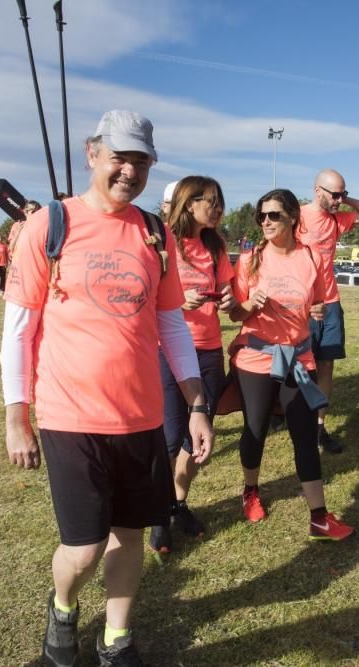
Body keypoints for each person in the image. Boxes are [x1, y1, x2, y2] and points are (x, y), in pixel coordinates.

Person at [1, 110, 214, 666]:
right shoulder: (49, 226)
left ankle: (116, 637)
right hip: (70, 416)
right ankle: (64, 606)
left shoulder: (153, 231)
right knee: (84, 546)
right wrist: (15, 416)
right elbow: (19, 330)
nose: (130, 170)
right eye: (120, 156)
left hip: (141, 415)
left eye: (141, 160)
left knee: (130, 534)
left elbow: (171, 324)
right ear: (92, 153)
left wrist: (195, 402)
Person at [226, 188, 354, 541]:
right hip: (256, 356)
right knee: (255, 428)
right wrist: (249, 304)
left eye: (274, 216)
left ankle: (319, 517)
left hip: (298, 356)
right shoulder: (250, 259)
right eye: (261, 216)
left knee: (304, 434)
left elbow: (320, 302)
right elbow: (235, 312)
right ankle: (250, 490)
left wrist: (318, 310)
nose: (265, 222)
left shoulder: (311, 257)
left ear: (293, 218)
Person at [149, 176, 236, 554]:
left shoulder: (216, 246)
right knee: (168, 439)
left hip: (209, 349)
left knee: (196, 438)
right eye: (211, 202)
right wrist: (174, 301)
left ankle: (177, 503)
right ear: (189, 203)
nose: (218, 209)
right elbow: (142, 297)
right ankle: (158, 515)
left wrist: (229, 297)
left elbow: (230, 292)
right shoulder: (161, 243)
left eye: (220, 202)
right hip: (166, 350)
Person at [297, 169, 359, 453]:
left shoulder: (338, 220)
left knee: (325, 366)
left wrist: (347, 200)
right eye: (334, 194)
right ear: (316, 190)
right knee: (298, 367)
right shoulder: (296, 216)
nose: (338, 199)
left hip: (331, 303)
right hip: (302, 305)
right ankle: (292, 419)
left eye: (342, 194)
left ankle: (319, 428)